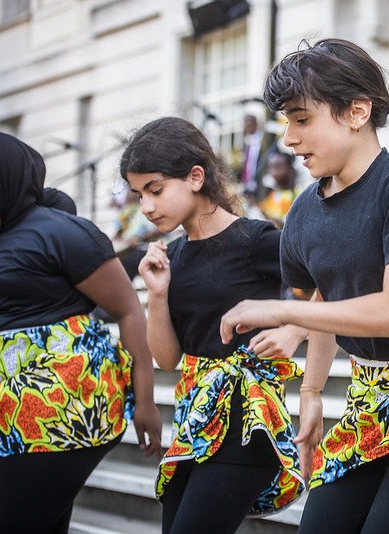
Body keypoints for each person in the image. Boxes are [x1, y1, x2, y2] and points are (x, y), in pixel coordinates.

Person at [218, 38, 389, 534]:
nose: (287, 137)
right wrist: (310, 392)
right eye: (285, 120)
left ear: (356, 112)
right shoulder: (304, 211)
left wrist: (287, 315)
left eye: (301, 119)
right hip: (366, 401)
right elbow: (328, 297)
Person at [121, 117, 307, 534]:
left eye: (155, 189)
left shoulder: (256, 239)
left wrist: (294, 329)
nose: (147, 207)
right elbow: (167, 359)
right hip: (194, 421)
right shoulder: (173, 256)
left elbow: (333, 280)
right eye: (139, 195)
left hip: (246, 421)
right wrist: (157, 293)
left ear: (195, 177)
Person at [0, 130, 162, 533]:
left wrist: (144, 401)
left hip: (58, 407)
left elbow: (128, 310)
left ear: (3, 182)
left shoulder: (60, 233)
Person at [257, 150, 302, 229]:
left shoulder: (298, 194)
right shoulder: (272, 194)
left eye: (277, 166)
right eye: (271, 167)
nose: (273, 172)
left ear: (289, 168)